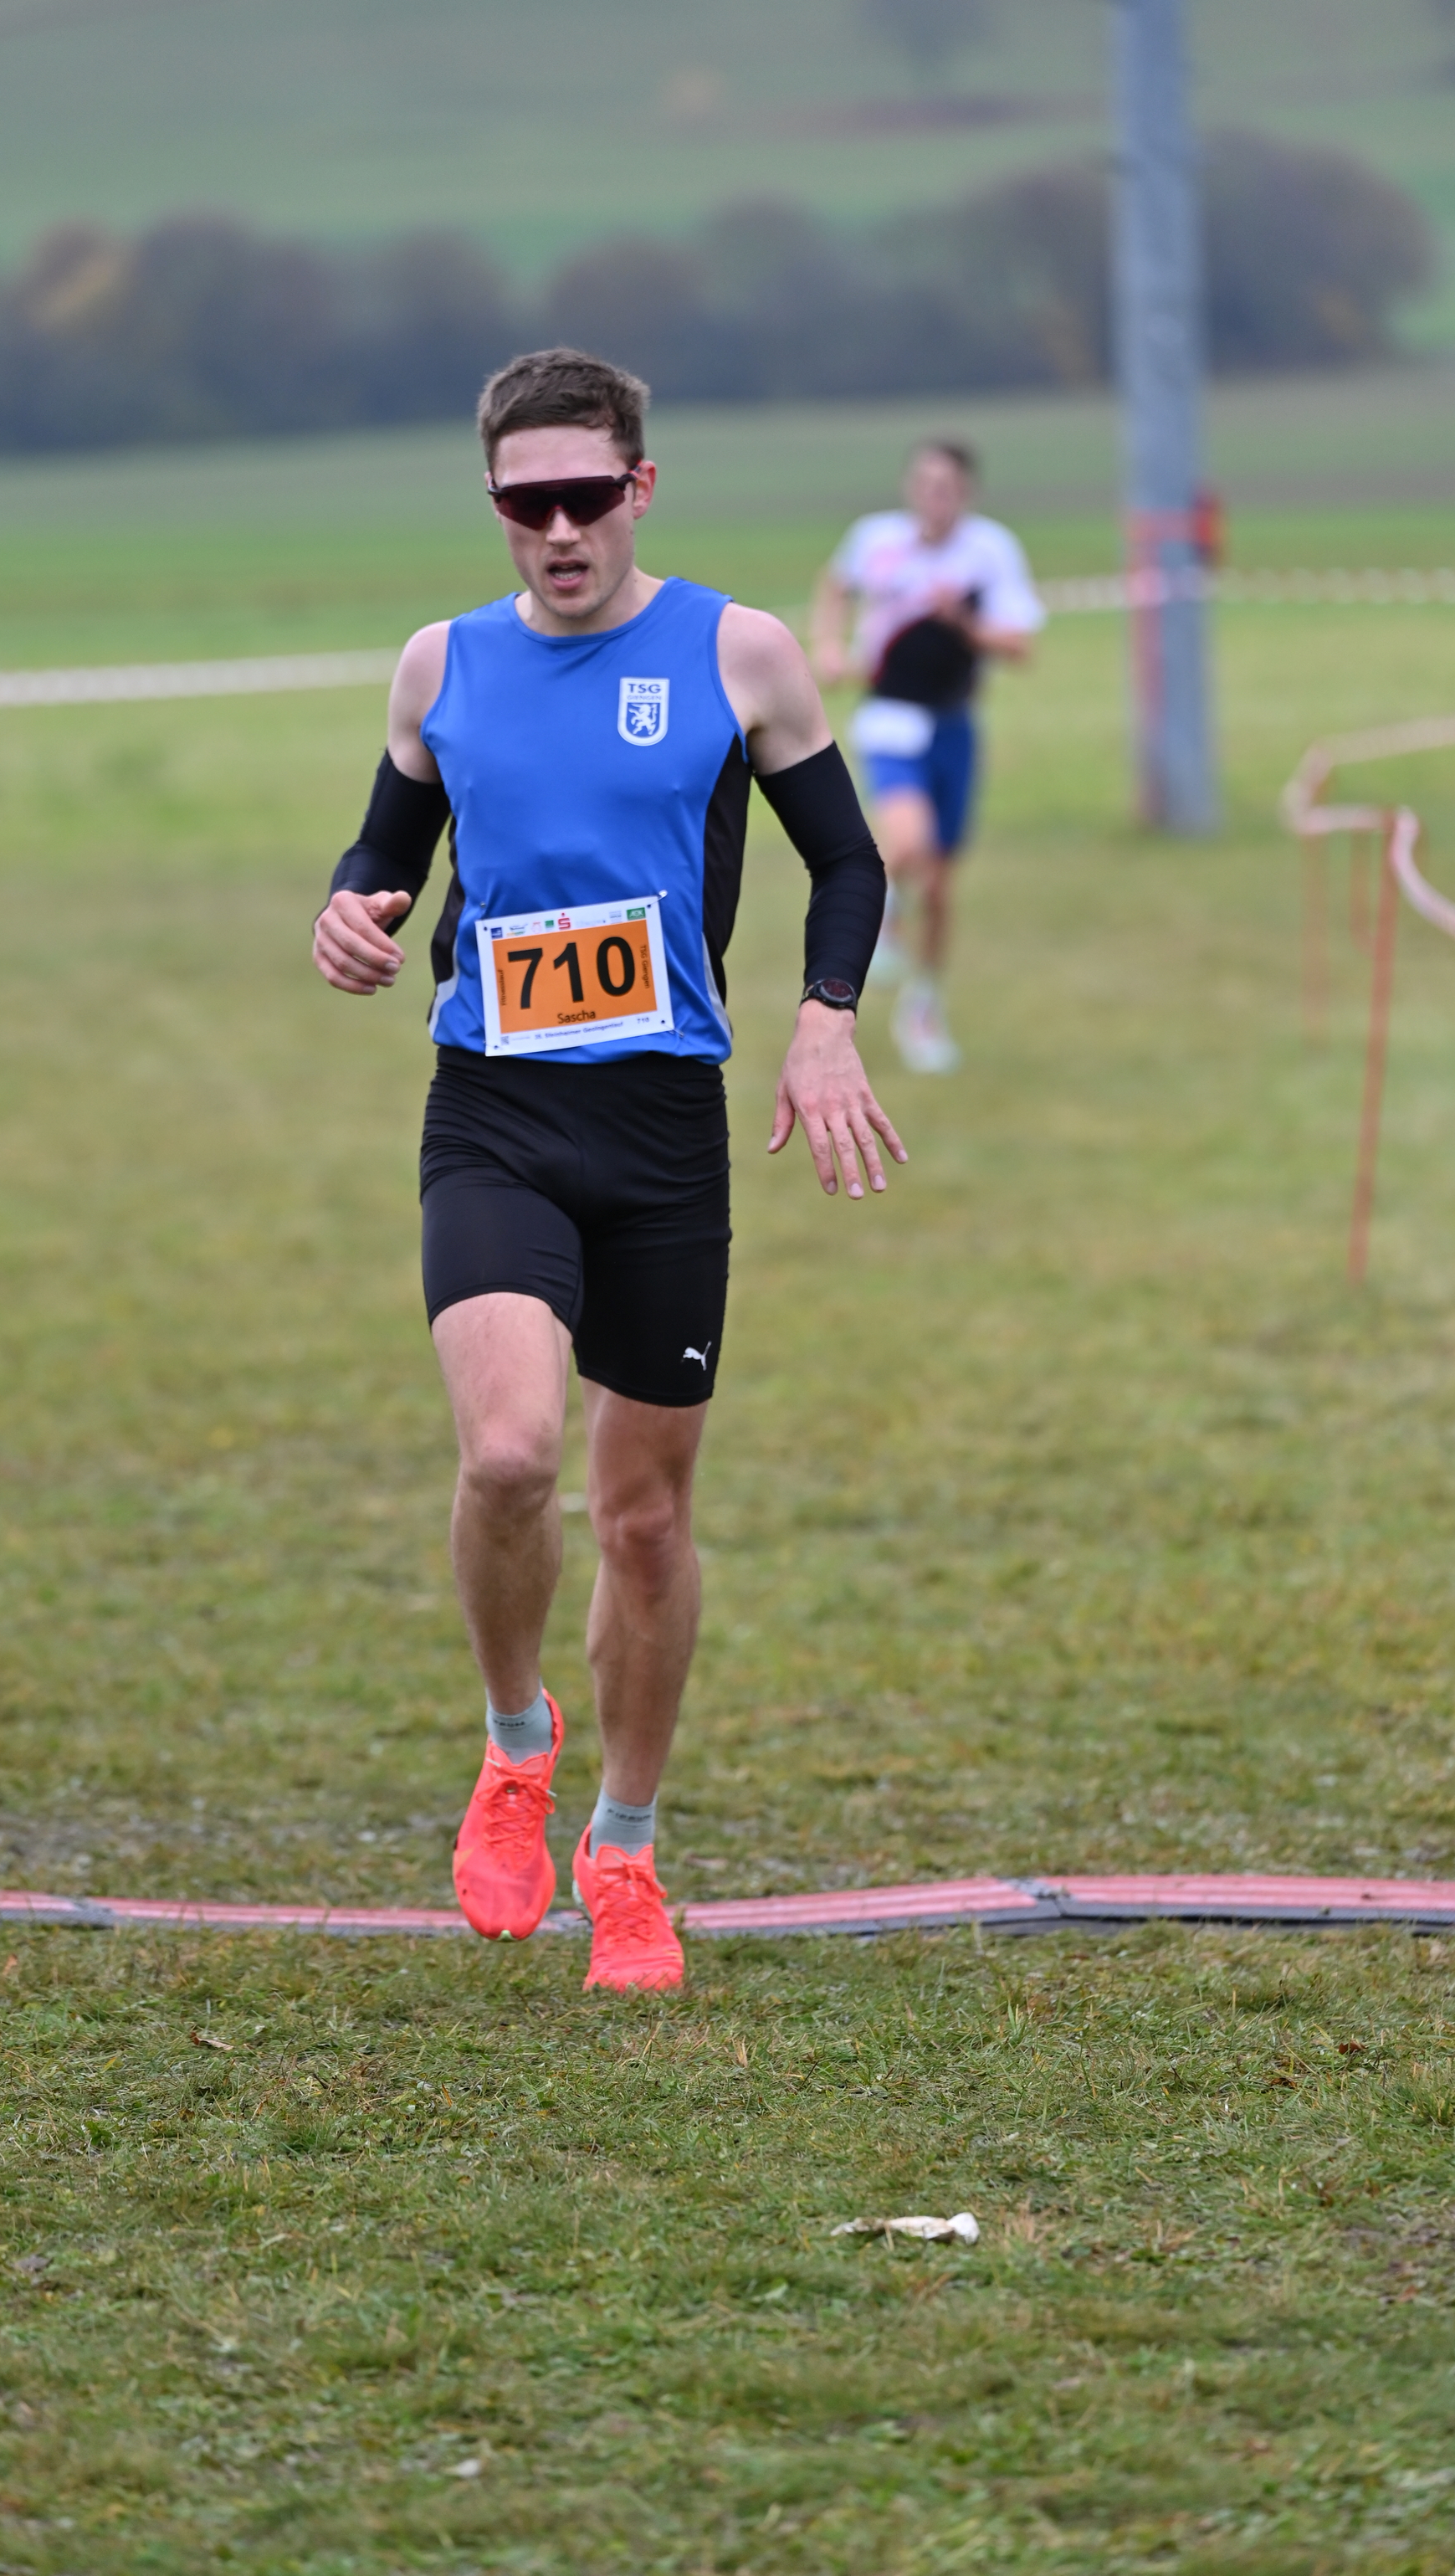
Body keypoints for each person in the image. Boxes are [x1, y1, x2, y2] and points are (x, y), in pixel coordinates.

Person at [312, 346, 904, 1993]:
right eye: (528, 506)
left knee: (642, 1521)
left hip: (659, 1136)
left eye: (586, 497)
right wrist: (347, 910)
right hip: (494, 1113)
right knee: (509, 1455)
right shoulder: (440, 667)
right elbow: (384, 851)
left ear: (639, 488)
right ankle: (516, 1748)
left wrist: (826, 1018)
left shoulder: (739, 653)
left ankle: (625, 1854)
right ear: (495, 504)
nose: (559, 531)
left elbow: (845, 859)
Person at [812, 439, 1044, 1075]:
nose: (933, 497)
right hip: (889, 714)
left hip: (952, 723)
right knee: (906, 841)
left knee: (940, 886)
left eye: (946, 487)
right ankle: (883, 921)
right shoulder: (876, 540)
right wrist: (830, 646)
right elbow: (835, 585)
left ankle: (924, 1006)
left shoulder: (989, 552)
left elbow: (1020, 645)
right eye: (924, 483)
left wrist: (961, 621)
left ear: (965, 494)